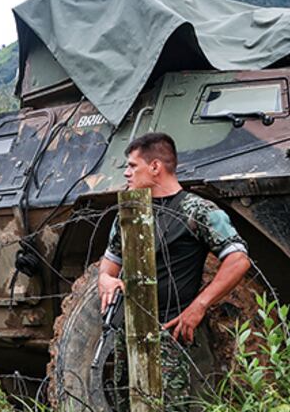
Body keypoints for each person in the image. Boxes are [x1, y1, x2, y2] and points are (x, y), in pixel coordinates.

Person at [98, 133, 251, 348]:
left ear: (155, 167)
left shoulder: (197, 210)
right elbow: (108, 267)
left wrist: (200, 305)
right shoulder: (129, 214)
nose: (126, 173)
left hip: (170, 337)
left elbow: (238, 260)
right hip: (129, 335)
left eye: (133, 166)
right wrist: (105, 279)